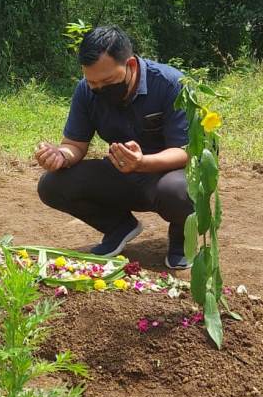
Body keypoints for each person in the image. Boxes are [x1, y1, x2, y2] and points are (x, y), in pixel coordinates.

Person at [35, 26, 194, 269]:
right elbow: (75, 145)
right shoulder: (86, 91)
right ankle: (118, 226)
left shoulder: (172, 84)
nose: (100, 88)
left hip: (166, 175)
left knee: (179, 190)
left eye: (108, 81)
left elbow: (184, 151)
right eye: (93, 83)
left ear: (130, 64)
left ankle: (182, 240)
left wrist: (143, 163)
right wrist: (61, 156)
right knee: (52, 184)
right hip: (122, 173)